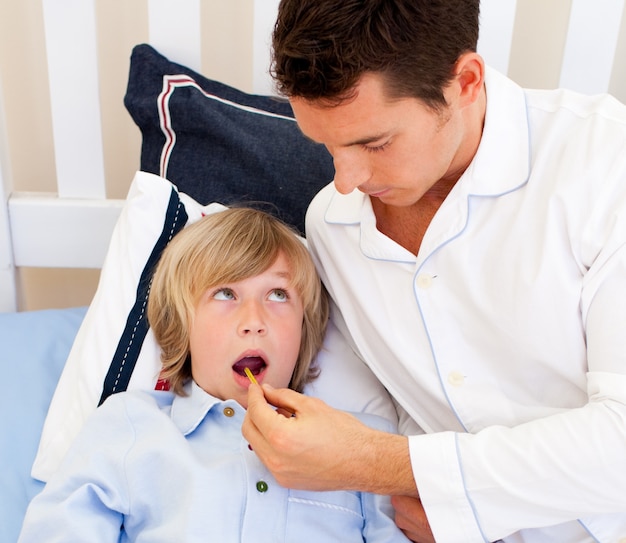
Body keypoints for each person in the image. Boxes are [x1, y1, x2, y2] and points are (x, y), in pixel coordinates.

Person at [241, 1, 626, 542]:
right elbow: (388, 403)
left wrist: (387, 465)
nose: (346, 180)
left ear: (464, 82)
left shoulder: (607, 164)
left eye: (374, 143)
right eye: (325, 145)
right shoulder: (332, 225)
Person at [19, 207, 410, 542]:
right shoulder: (131, 423)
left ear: (306, 329)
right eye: (225, 294)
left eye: (278, 294)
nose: (253, 322)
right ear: (181, 326)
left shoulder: (365, 441)